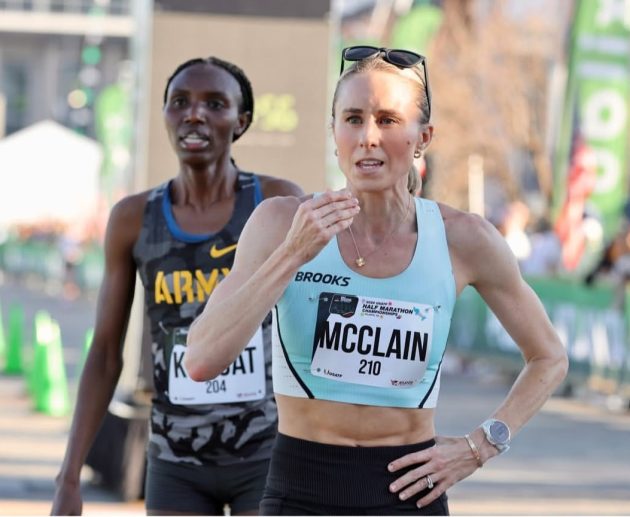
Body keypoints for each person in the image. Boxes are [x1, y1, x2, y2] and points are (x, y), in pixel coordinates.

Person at [185, 47, 568, 515]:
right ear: (334, 132)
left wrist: (479, 447)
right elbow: (201, 360)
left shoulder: (463, 238)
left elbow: (549, 357)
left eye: (388, 120)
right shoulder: (282, 222)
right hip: (300, 492)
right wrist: (292, 254)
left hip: (410, 493)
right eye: (353, 119)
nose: (368, 137)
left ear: (423, 137)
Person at [51, 56, 303, 516]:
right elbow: (105, 353)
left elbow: (314, 331)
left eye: (215, 104)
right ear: (165, 114)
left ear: (241, 121)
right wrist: (69, 476)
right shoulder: (134, 218)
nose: (195, 114)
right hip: (175, 461)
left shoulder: (275, 202)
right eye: (180, 102)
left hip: (267, 454)